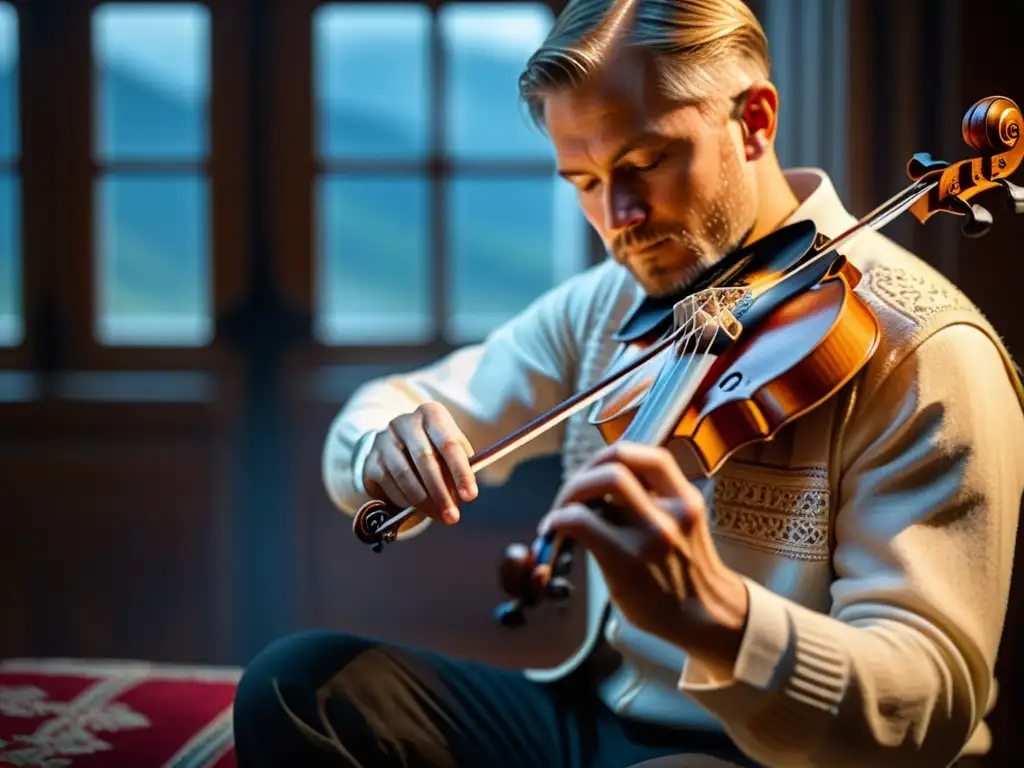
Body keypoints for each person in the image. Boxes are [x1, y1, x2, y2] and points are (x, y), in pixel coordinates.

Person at [232, 0, 1024, 766]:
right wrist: (384, 446)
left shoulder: (923, 349)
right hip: (602, 713)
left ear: (754, 121)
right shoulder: (613, 306)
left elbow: (929, 704)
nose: (618, 217)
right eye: (582, 181)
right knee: (299, 685)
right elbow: (393, 404)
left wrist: (719, 615)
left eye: (643, 163)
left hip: (778, 756)